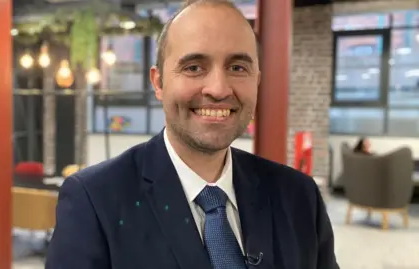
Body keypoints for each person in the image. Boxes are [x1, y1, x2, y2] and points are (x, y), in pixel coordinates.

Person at [46, 0, 339, 268]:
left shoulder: (299, 197)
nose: (219, 89)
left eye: (237, 67)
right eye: (194, 67)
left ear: (257, 82)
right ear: (158, 82)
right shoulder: (94, 201)